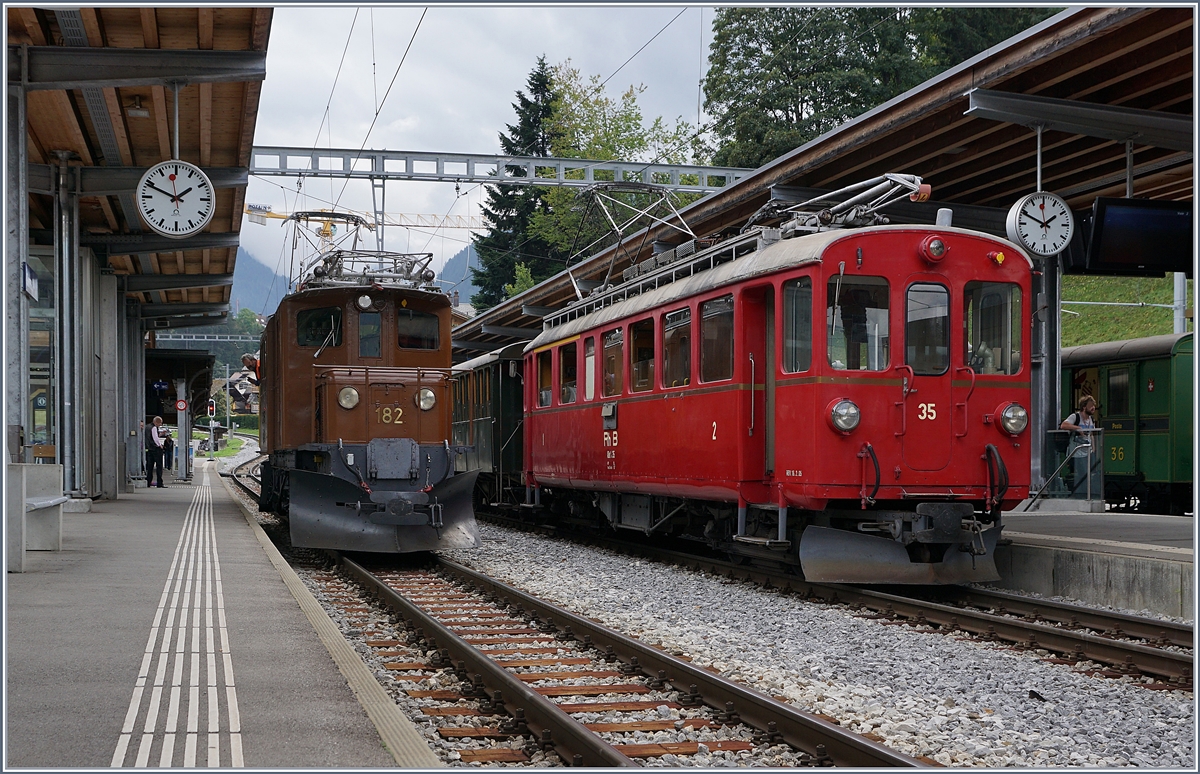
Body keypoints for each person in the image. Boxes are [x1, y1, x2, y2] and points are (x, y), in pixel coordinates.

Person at [144, 416, 166, 488]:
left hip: (149, 449)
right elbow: (155, 438)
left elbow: (150, 437)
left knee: (150, 467)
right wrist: (160, 445)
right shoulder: (154, 427)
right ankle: (160, 483)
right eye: (160, 423)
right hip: (156, 449)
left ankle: (148, 482)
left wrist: (160, 434)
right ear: (156, 422)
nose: (160, 425)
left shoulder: (147, 427)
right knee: (159, 466)